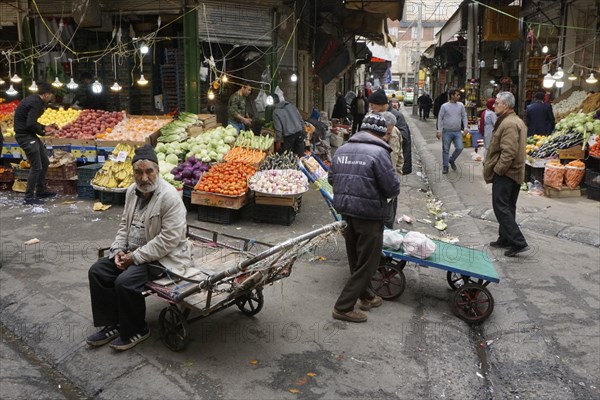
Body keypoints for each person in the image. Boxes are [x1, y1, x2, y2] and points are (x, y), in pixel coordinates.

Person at [86, 145, 192, 351]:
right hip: (133, 253)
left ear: (157, 171)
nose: (144, 177)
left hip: (163, 258)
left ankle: (138, 329)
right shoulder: (131, 192)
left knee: (125, 282)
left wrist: (134, 257)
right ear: (133, 172)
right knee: (97, 271)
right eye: (138, 172)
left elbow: (169, 240)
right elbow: (124, 225)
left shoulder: (169, 197)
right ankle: (114, 323)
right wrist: (117, 251)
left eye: (149, 171)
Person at [328, 113, 400, 323]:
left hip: (346, 212)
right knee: (369, 262)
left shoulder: (342, 149)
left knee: (356, 258)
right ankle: (343, 307)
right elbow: (391, 187)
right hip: (369, 214)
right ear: (379, 134)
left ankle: (367, 296)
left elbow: (332, 179)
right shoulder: (379, 153)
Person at [483, 92, 529, 258]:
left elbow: (508, 151)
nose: (494, 105)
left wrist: (499, 169)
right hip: (513, 171)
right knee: (508, 207)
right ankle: (505, 238)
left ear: (506, 105)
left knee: (500, 206)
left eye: (497, 103)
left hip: (508, 172)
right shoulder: (513, 121)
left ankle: (518, 241)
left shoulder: (509, 123)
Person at [14, 82, 59, 205]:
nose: (51, 98)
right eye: (51, 95)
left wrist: (45, 127)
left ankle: (40, 190)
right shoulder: (36, 103)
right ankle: (28, 197)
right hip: (25, 136)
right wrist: (43, 133)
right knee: (36, 167)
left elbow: (31, 122)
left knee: (45, 162)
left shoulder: (35, 101)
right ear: (46, 94)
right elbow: (29, 124)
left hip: (30, 134)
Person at [368, 89, 412, 175]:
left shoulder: (396, 116)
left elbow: (404, 137)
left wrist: (387, 134)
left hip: (392, 160)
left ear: (380, 104)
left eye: (372, 105)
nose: (371, 108)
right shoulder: (375, 115)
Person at [436, 88, 469, 174]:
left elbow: (464, 116)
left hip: (457, 131)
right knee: (446, 149)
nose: (458, 96)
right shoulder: (444, 106)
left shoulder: (461, 105)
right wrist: (438, 130)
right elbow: (440, 118)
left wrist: (465, 127)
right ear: (452, 96)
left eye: (458, 95)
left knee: (460, 147)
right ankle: (445, 167)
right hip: (447, 131)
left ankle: (451, 159)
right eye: (457, 95)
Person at [381, 111, 403, 229]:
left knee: (389, 215)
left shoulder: (396, 132)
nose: (386, 136)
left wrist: (398, 177)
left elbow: (399, 156)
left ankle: (388, 237)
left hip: (392, 179)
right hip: (380, 181)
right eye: (385, 132)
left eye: (389, 133)